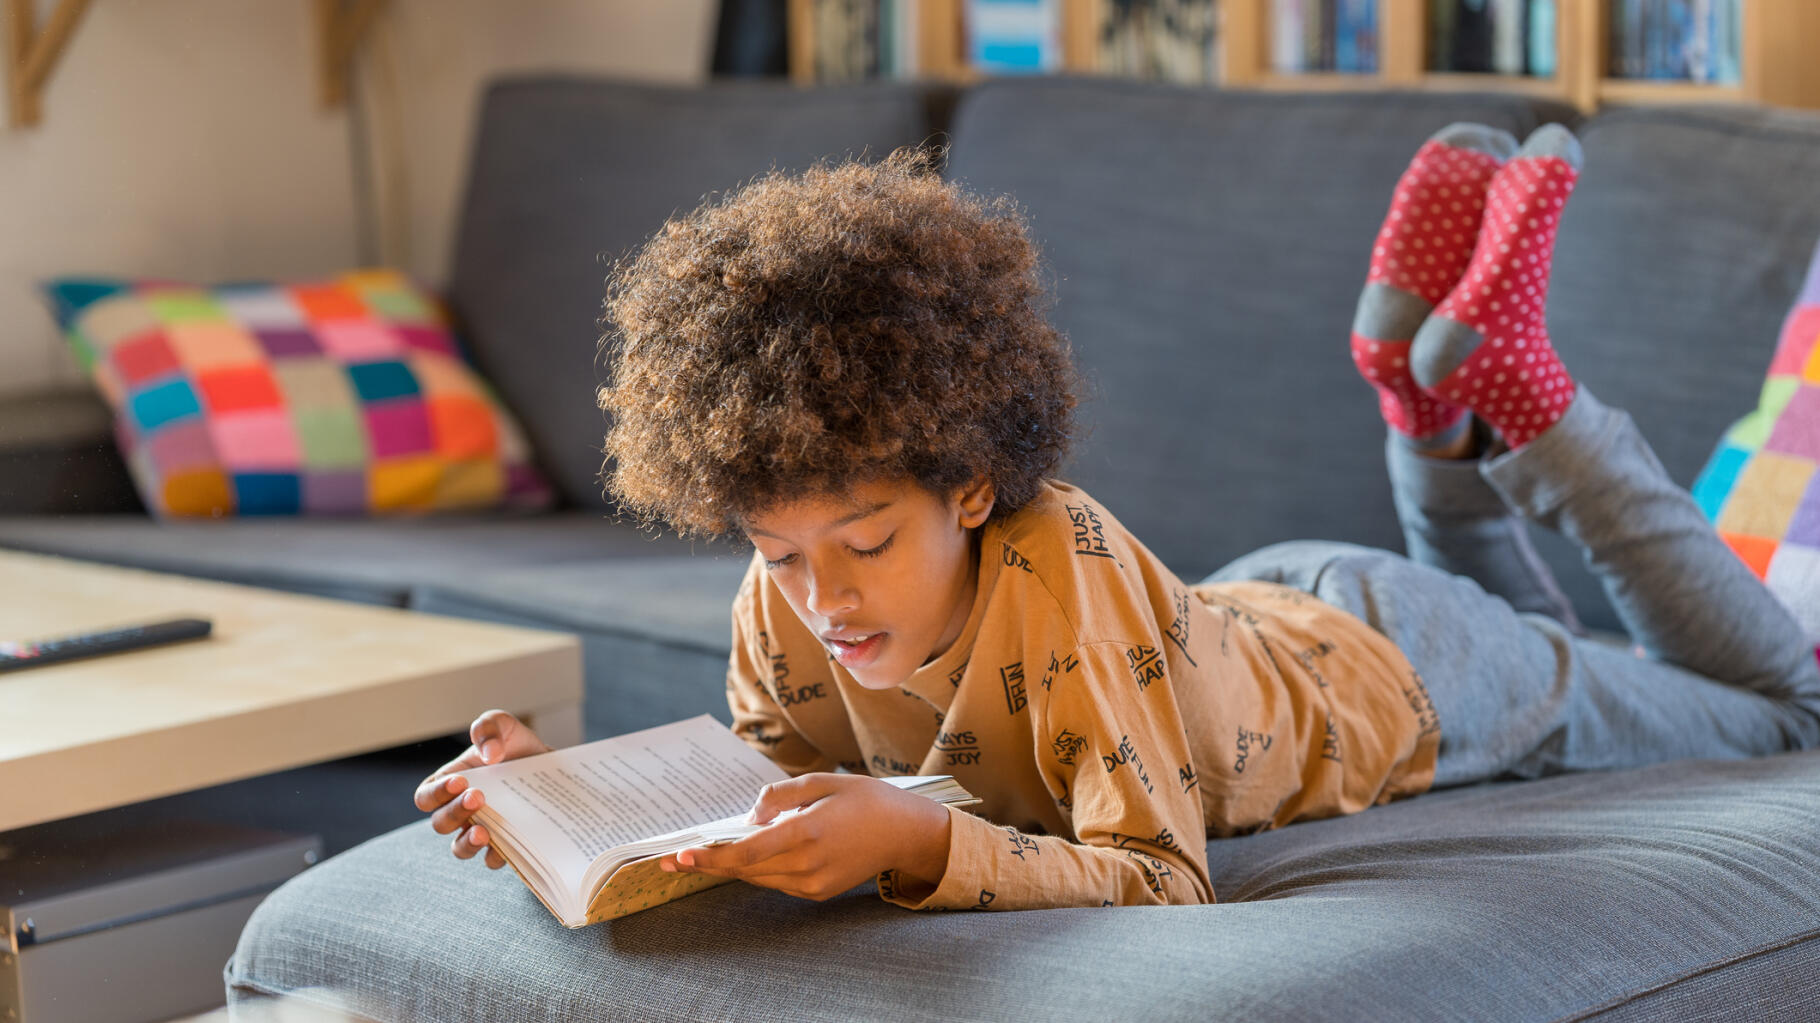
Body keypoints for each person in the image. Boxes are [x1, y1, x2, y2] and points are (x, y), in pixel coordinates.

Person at [414, 126, 1820, 911]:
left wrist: (915, 845)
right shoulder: (789, 589)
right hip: (1278, 618)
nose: (821, 602)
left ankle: (1525, 396)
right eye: (777, 555)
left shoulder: (1054, 562)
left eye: (864, 543)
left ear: (971, 484)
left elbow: (1158, 879)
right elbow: (758, 795)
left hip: (1413, 674)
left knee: (1780, 709)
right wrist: (567, 793)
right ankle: (1425, 406)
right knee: (1566, 645)